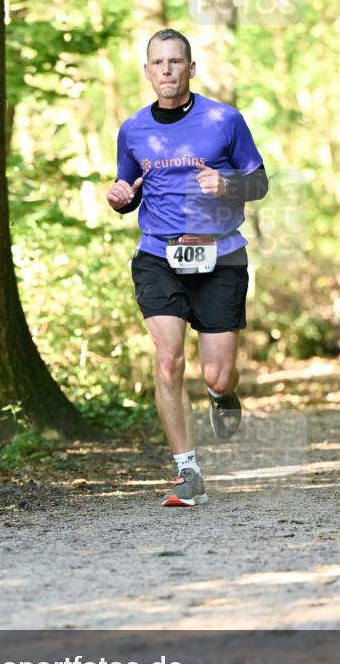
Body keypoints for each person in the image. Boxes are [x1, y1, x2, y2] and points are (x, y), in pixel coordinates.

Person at [106, 29, 269, 507]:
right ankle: (186, 470)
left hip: (220, 255)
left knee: (217, 375)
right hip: (159, 255)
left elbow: (258, 183)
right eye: (158, 63)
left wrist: (230, 185)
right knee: (168, 360)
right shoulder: (133, 129)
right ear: (147, 71)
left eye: (176, 62)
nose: (167, 70)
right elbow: (127, 186)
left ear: (191, 68)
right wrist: (120, 198)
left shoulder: (225, 119)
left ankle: (223, 396)